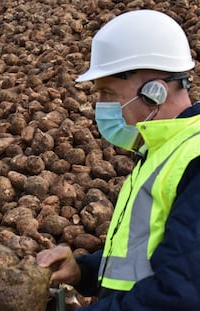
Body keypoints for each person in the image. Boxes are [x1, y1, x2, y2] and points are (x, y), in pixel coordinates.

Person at [37, 9, 200, 310]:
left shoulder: (194, 157)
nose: (99, 107)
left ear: (155, 93)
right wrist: (83, 270)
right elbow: (142, 256)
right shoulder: (161, 151)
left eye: (108, 93)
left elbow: (179, 295)